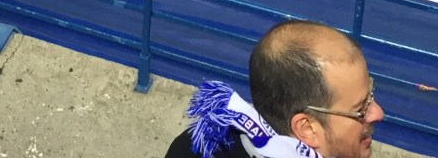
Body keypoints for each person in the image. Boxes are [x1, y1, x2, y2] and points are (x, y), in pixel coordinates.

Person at [164, 20, 383, 158]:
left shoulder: (191, 146)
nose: (377, 113)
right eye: (360, 109)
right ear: (307, 129)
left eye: (370, 95)